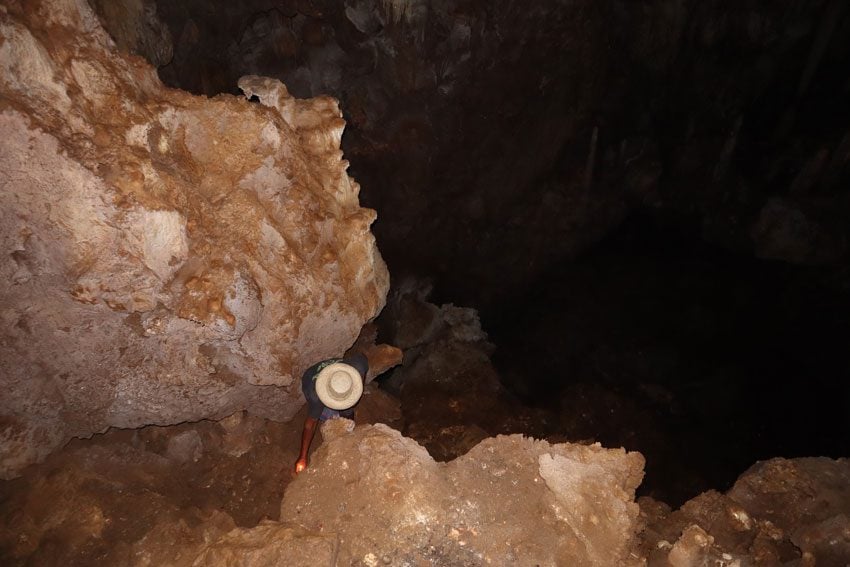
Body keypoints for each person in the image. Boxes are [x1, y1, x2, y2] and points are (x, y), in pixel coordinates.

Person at [293, 351, 368, 474]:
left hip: (337, 378)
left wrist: (359, 388)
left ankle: (348, 425)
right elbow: (309, 425)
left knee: (347, 410)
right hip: (310, 378)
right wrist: (302, 457)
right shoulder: (316, 397)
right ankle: (329, 411)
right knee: (330, 416)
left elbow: (362, 358)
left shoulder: (355, 368)